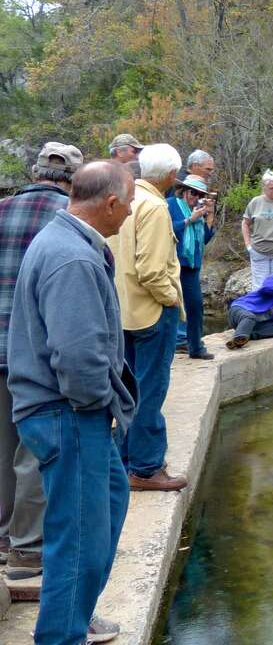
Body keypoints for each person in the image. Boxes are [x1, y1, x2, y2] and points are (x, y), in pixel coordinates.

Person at [7, 161, 136, 645]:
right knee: (78, 539)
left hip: (69, 413)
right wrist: (99, 406)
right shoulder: (73, 258)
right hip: (70, 414)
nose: (129, 215)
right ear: (109, 203)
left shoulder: (65, 240)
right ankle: (62, 634)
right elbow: (78, 357)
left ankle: (76, 615)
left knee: (108, 507)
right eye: (127, 204)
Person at [0, 142, 83, 602]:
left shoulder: (2, 209)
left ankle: (4, 535)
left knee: (2, 447)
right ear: (72, 177)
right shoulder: (70, 218)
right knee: (34, 451)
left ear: (35, 170)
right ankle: (27, 551)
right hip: (35, 350)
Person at [109, 143, 188, 493]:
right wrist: (171, 300)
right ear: (171, 175)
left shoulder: (124, 199)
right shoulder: (155, 207)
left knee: (128, 391)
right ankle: (146, 467)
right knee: (150, 391)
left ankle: (127, 459)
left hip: (122, 312)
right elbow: (153, 270)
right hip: (152, 314)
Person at [169, 175, 216, 361]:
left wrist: (209, 215)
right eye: (193, 192)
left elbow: (204, 238)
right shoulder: (170, 205)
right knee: (171, 307)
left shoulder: (198, 210)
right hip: (173, 264)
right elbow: (167, 229)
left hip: (191, 266)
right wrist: (189, 219)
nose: (195, 197)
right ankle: (172, 344)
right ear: (184, 191)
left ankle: (196, 347)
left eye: (199, 194)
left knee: (195, 306)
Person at [225, 276, 273, 349]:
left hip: (248, 325)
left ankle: (245, 336)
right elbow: (268, 286)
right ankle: (240, 337)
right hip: (238, 310)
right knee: (250, 317)